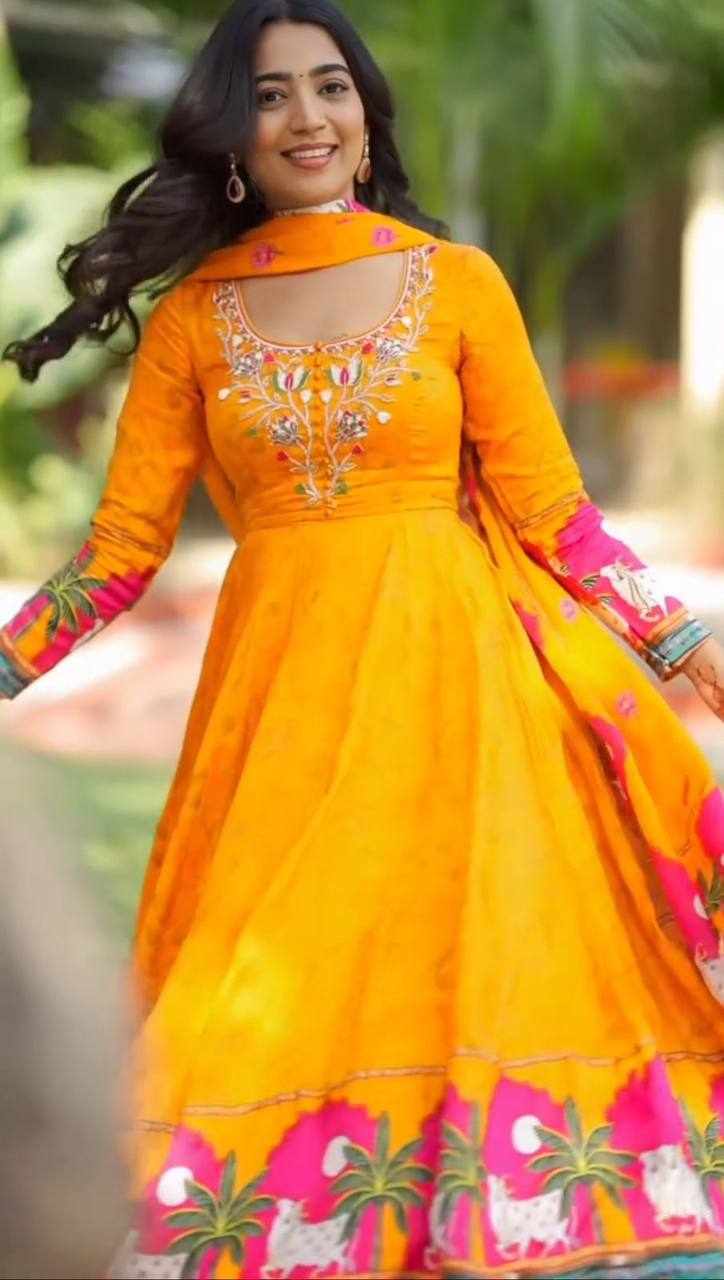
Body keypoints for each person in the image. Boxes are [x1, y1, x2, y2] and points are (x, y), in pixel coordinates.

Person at [2, 1, 724, 1275]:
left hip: (463, 693)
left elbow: (553, 511)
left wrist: (683, 643)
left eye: (330, 86)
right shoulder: (191, 321)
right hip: (282, 707)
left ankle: (473, 1200)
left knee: (459, 956)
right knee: (273, 976)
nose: (308, 117)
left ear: (366, 115)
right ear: (232, 134)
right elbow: (117, 552)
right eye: (272, 94)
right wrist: (7, 660)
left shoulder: (456, 284)